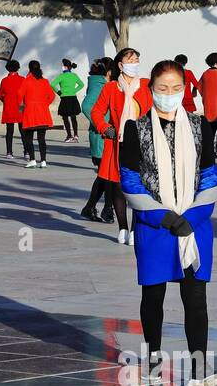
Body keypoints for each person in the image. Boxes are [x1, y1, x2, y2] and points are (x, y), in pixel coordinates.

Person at [120, 59, 217, 386]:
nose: (169, 95)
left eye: (176, 88)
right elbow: (130, 179)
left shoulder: (199, 126)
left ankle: (199, 369)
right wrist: (162, 216)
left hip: (193, 225)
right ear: (151, 90)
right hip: (155, 227)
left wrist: (190, 216)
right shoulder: (136, 129)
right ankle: (152, 358)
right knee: (154, 295)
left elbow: (210, 175)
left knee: (196, 297)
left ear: (185, 90)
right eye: (162, 89)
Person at [92, 48, 153, 244]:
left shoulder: (145, 85)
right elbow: (96, 112)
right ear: (120, 65)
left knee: (138, 186)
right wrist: (105, 127)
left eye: (137, 59)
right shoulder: (110, 88)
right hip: (117, 142)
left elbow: (154, 107)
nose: (135, 63)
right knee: (118, 186)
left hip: (141, 142)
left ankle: (135, 229)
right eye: (130, 59)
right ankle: (123, 228)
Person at [80, 58, 113, 221]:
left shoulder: (99, 85)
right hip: (102, 137)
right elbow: (86, 106)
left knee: (105, 176)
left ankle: (92, 207)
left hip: (106, 136)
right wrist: (102, 125)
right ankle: (106, 208)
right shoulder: (99, 87)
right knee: (107, 176)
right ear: (109, 72)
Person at [19, 60, 57, 169]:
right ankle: (43, 160)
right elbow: (52, 96)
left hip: (30, 112)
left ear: (29, 68)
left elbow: (19, 94)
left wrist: (21, 107)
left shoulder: (27, 81)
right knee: (42, 139)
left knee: (28, 138)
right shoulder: (44, 81)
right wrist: (45, 104)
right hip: (43, 113)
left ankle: (32, 160)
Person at [51, 58, 85, 141]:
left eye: (62, 65)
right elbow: (81, 85)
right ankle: (76, 135)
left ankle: (69, 135)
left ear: (65, 67)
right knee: (73, 117)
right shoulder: (74, 76)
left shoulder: (61, 76)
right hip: (73, 98)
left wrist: (59, 93)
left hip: (64, 98)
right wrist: (74, 91)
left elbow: (52, 84)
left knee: (65, 117)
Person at [0, 60, 25, 158]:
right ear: (18, 68)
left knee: (9, 131)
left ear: (8, 69)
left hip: (9, 107)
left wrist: (5, 100)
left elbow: (0, 94)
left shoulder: (4, 80)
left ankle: (9, 152)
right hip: (21, 107)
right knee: (23, 131)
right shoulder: (22, 79)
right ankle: (26, 152)